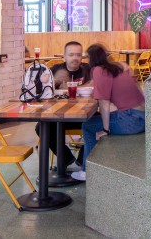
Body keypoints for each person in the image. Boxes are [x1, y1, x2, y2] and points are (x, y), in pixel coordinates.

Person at [72, 43, 145, 182]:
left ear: (91, 58)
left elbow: (104, 102)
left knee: (88, 126)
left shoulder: (98, 70)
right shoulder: (116, 68)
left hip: (131, 121)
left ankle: (87, 171)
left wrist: (105, 130)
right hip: (142, 118)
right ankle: (96, 166)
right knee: (95, 121)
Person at [35, 41, 91, 172]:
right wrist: (54, 82)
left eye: (78, 55)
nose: (75, 58)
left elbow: (95, 85)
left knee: (100, 124)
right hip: (60, 115)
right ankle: (65, 159)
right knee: (41, 127)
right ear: (64, 56)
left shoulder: (88, 69)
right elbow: (39, 90)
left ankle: (82, 159)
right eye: (71, 55)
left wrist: (73, 86)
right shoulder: (55, 70)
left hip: (85, 115)